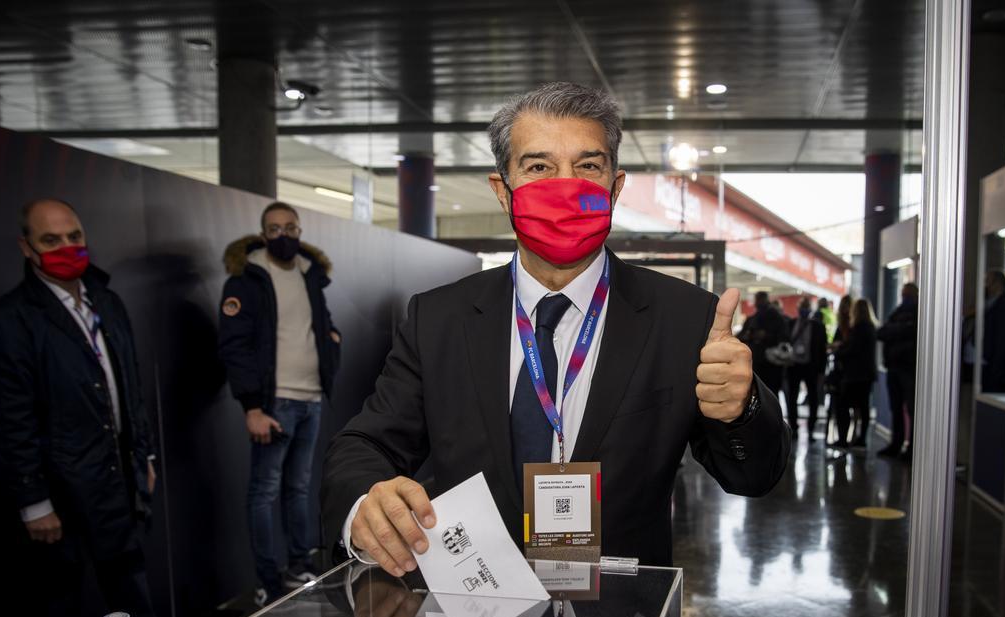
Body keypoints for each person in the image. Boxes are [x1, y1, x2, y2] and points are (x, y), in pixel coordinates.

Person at [323, 82, 790, 572]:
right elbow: (365, 443)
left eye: (588, 166)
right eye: (539, 167)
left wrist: (741, 409)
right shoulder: (439, 319)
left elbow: (754, 476)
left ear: (615, 185)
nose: (565, 186)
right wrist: (365, 503)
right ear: (503, 191)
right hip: (474, 605)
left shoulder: (685, 318)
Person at [0, 199, 203, 617]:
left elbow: (129, 382)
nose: (66, 249)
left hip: (117, 470)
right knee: (63, 593)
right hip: (59, 479)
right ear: (27, 247)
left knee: (129, 575)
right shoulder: (13, 318)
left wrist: (143, 451)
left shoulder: (105, 299)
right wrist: (33, 502)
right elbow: (8, 417)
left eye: (74, 236)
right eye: (51, 241)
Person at [218, 202, 342, 605]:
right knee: (264, 491)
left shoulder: (310, 274)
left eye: (290, 227)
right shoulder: (246, 279)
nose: (283, 235)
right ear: (262, 233)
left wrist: (332, 348)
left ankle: (299, 567)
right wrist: (252, 407)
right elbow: (234, 347)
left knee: (299, 487)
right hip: (275, 403)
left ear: (300, 229)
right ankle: (267, 582)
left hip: (310, 399)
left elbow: (319, 326)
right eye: (274, 229)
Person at [876, 283, 919, 458]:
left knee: (912, 409)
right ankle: (896, 443)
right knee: (896, 408)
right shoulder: (897, 312)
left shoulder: (919, 312)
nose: (904, 296)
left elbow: (913, 332)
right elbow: (881, 333)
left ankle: (912, 448)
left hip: (909, 369)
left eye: (907, 293)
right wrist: (900, 330)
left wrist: (896, 331)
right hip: (894, 367)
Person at [834, 298, 879, 448]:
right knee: (863, 407)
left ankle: (843, 439)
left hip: (855, 375)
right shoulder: (870, 327)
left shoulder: (859, 328)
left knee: (844, 405)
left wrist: (839, 350)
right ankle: (861, 439)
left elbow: (852, 351)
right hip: (866, 374)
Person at [785, 297, 828, 441]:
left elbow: (822, 350)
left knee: (813, 397)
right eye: (802, 307)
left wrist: (822, 371)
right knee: (792, 397)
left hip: (811, 366)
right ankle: (794, 428)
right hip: (794, 365)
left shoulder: (818, 327)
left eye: (806, 307)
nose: (804, 310)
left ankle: (811, 428)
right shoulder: (791, 324)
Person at [738, 290, 789, 404]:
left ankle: (771, 419)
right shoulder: (755, 317)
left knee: (770, 393)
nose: (757, 302)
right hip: (757, 360)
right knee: (759, 393)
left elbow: (783, 337)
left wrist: (765, 335)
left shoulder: (774, 315)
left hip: (770, 361)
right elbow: (744, 335)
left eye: (758, 299)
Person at [827, 295, 854, 445]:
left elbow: (849, 348)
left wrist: (838, 347)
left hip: (848, 373)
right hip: (840, 372)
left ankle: (845, 438)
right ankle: (842, 437)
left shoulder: (853, 327)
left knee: (845, 406)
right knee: (840, 407)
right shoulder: (842, 327)